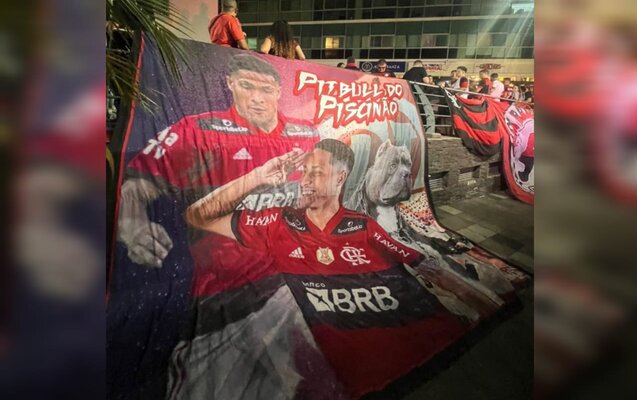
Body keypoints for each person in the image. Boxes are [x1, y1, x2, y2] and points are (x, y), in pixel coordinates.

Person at [185, 138, 466, 397]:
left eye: (315, 173)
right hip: (340, 381)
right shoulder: (279, 222)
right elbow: (197, 215)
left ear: (340, 178)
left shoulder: (364, 225)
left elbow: (430, 268)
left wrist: (474, 298)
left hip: (431, 368)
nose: (304, 181)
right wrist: (258, 177)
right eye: (303, 172)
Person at [118, 54, 319, 297]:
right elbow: (137, 184)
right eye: (247, 86)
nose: (257, 98)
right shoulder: (198, 131)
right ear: (230, 83)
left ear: (278, 91)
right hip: (228, 290)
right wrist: (131, 222)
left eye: (266, 89)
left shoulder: (307, 133)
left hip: (300, 277)